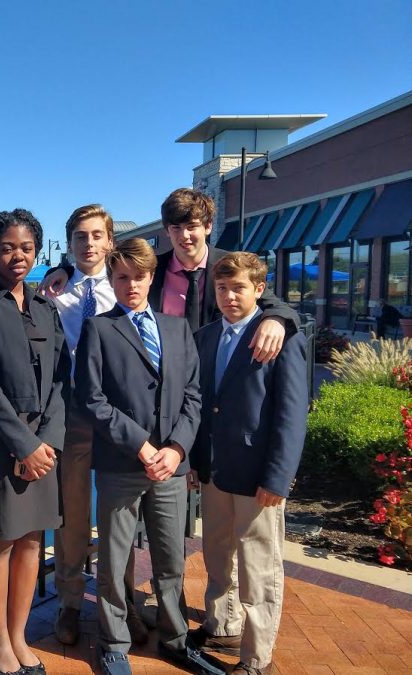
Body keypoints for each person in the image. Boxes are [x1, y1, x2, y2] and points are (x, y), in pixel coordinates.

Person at [75, 238, 223, 675]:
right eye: (121, 277)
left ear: (151, 277)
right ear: (112, 281)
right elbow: (92, 399)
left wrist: (177, 449)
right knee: (115, 559)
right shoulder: (99, 329)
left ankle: (176, 638)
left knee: (170, 558)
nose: (131, 285)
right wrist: (141, 444)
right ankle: (113, 642)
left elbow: (194, 396)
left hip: (171, 469)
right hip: (123, 464)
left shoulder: (177, 330)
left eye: (138, 276)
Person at [0, 209, 69, 675]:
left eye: (25, 247)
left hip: (45, 443)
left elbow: (63, 380)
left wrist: (47, 442)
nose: (17, 256)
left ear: (36, 250)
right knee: (1, 538)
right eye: (6, 247)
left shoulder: (45, 306)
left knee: (31, 541)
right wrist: (23, 445)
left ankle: (19, 636)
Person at [189, 253, 308, 675]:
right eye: (222, 288)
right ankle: (223, 623)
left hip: (258, 475)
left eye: (238, 288)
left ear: (259, 290)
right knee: (217, 553)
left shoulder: (279, 338)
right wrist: (195, 461)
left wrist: (279, 476)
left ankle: (258, 658)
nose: (229, 296)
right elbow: (202, 406)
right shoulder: (204, 337)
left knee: (258, 566)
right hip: (216, 470)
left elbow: (292, 415)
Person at [40, 188, 299, 362]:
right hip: (165, 383)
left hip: (216, 376)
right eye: (176, 228)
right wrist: (61, 270)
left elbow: (270, 301)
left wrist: (276, 319)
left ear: (208, 227)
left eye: (192, 227)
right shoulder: (151, 272)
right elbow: (111, 271)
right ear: (167, 231)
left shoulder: (229, 265)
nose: (184, 236)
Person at [48, 205, 148, 647]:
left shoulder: (127, 288)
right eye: (79, 236)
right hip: (70, 416)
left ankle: (121, 598)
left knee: (118, 516)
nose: (88, 243)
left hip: (117, 416)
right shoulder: (55, 291)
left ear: (109, 242)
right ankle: (69, 602)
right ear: (69, 243)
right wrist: (59, 270)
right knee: (71, 515)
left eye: (95, 236)